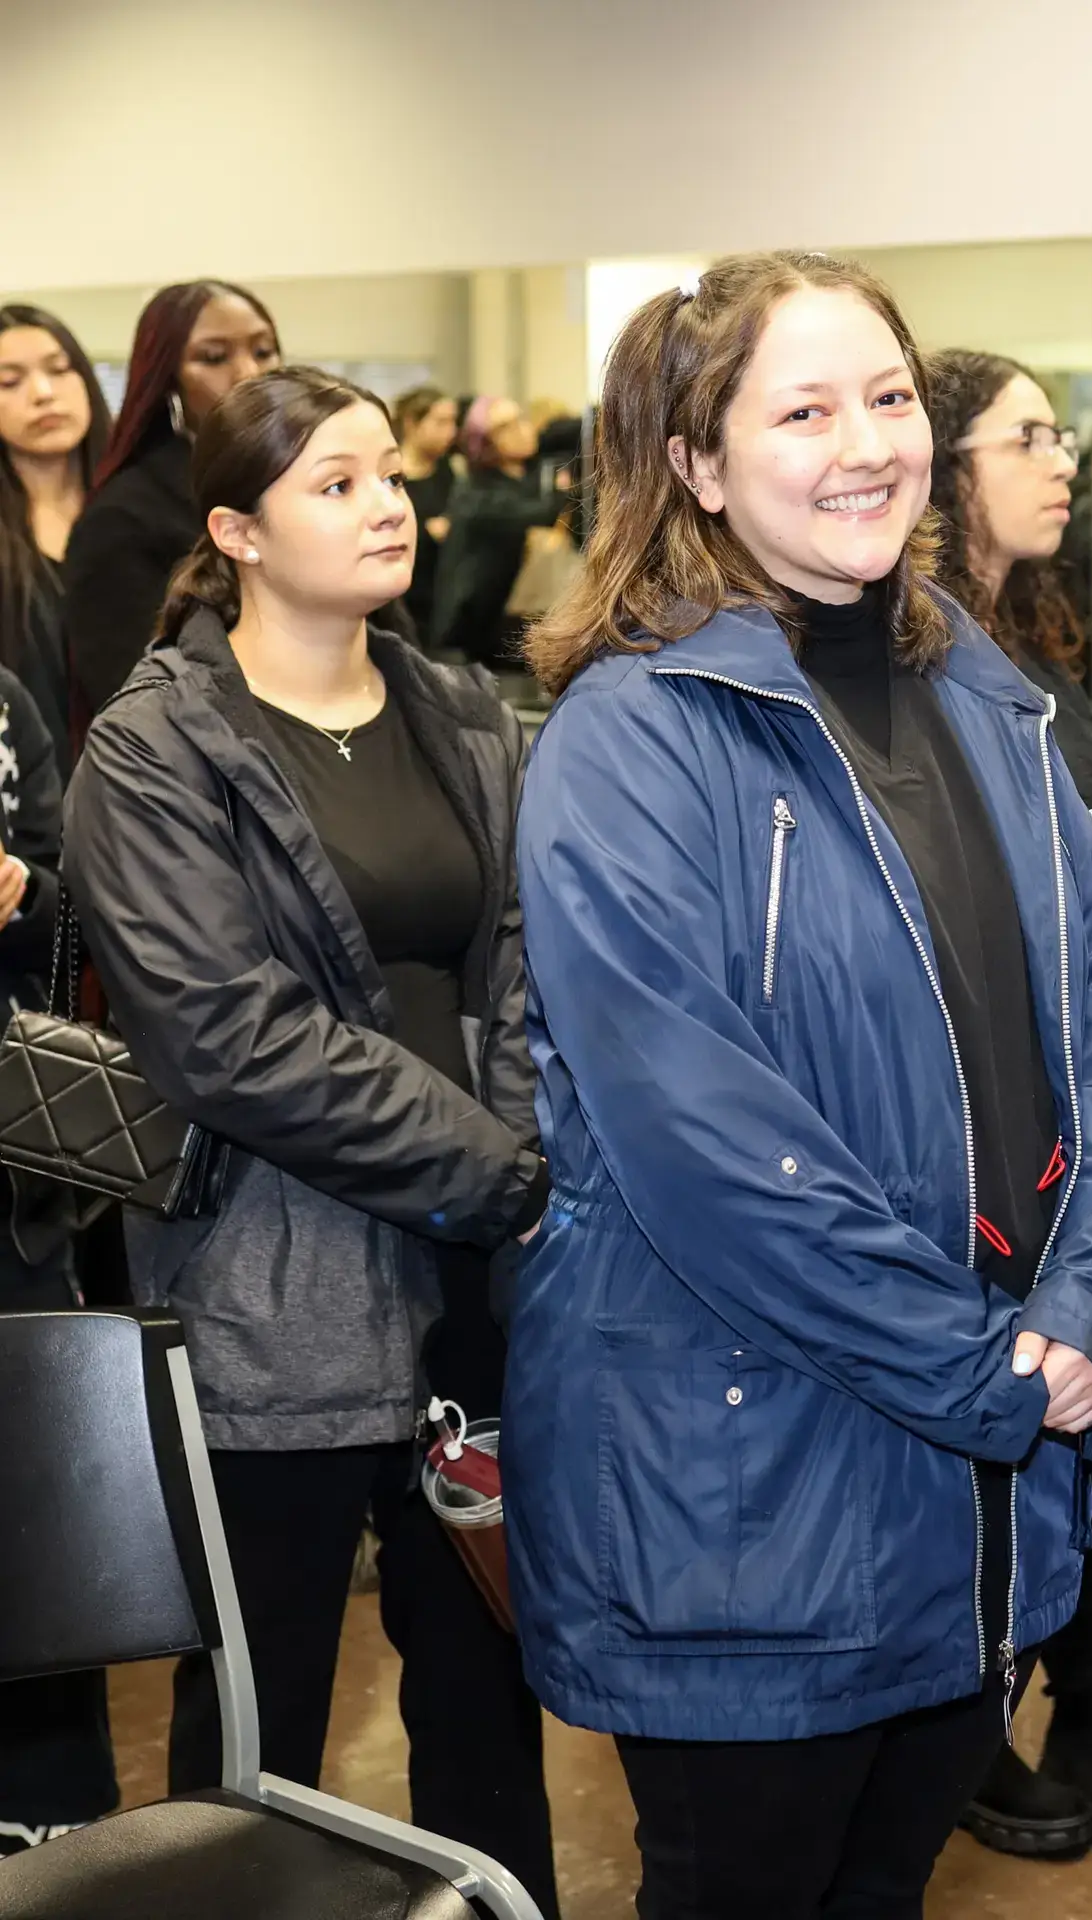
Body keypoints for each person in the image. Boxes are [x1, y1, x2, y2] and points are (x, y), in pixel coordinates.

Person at [507, 250, 1092, 1919]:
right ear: (698, 463)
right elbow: (705, 1144)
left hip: (981, 1472)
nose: (864, 441)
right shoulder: (634, 737)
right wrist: (990, 1372)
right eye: (801, 409)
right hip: (754, 1478)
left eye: (886, 397)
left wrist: (1091, 1308)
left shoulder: (987, 697)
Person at [61, 367, 560, 1915]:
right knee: (258, 1735)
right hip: (272, 1287)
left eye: (391, 475)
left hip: (477, 1288)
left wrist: (516, 1173)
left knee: (487, 1703)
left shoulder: (465, 713)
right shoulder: (153, 754)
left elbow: (540, 965)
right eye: (335, 483)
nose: (386, 503)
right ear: (239, 531)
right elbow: (236, 1039)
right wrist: (506, 1174)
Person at [925, 346, 1092, 1864]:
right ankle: (979, 1713)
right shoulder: (921, 658)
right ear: (951, 471)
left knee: (1087, 1400)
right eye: (1028, 435)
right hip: (995, 1119)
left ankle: (1085, 1694)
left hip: (1090, 1107)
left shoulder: (1035, 648)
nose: (1065, 459)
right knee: (1015, 1404)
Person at [0, 662, 119, 1859]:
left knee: (34, 1520)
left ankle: (50, 1825)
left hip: (15, 1200)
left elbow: (66, 890)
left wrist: (26, 883)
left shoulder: (4, 704)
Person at [63, 280, 281, 718]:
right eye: (214, 358)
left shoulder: (301, 483)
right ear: (169, 380)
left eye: (263, 351)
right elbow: (130, 695)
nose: (249, 374)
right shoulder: (124, 517)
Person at [0, 306, 112, 776]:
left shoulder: (143, 514)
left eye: (59, 369)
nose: (44, 393)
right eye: (10, 382)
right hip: (36, 813)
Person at [431, 395, 563, 667]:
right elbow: (541, 513)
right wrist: (564, 489)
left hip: (507, 624)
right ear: (485, 440)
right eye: (507, 426)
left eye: (521, 420)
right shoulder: (477, 490)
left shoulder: (525, 476)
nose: (522, 430)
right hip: (469, 637)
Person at [392, 384, 459, 647]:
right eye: (441, 422)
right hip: (403, 596)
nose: (450, 432)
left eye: (453, 422)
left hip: (439, 596)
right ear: (411, 423)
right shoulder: (390, 474)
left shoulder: (449, 471)